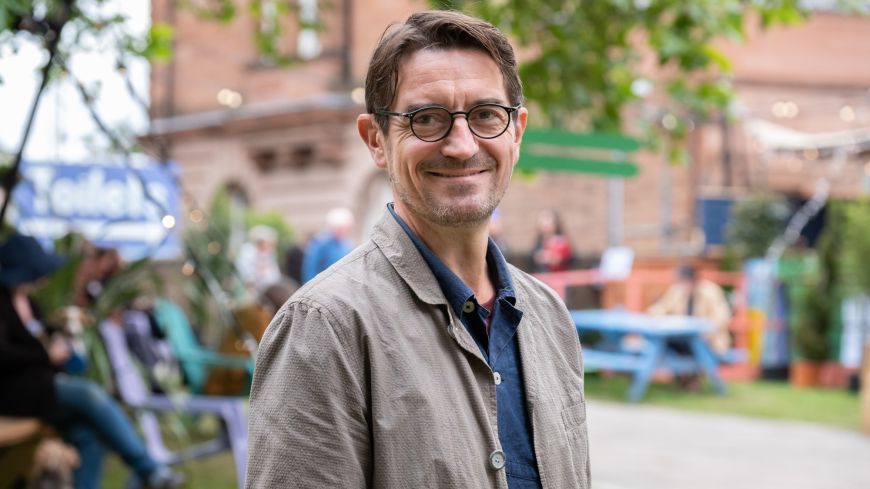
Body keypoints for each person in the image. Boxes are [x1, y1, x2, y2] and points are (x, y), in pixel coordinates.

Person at [247, 11, 589, 489]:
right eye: (427, 119)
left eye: (487, 115)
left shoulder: (549, 316)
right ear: (377, 140)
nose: (461, 144)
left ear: (516, 131)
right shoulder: (324, 328)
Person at [0, 234, 183, 489]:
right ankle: (149, 469)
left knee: (87, 434)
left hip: (40, 386)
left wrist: (60, 340)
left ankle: (146, 472)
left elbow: (39, 335)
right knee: (91, 394)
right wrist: (46, 355)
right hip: (15, 391)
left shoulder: (28, 301)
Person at [648, 264, 732, 355]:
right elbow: (663, 307)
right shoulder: (677, 291)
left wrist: (707, 331)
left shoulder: (710, 291)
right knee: (659, 343)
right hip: (681, 337)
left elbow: (722, 316)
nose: (683, 285)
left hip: (708, 341)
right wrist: (655, 313)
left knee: (696, 345)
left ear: (693, 280)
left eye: (685, 282)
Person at [300, 207, 355, 283]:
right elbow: (310, 269)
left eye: (346, 228)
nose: (343, 231)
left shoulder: (347, 243)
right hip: (323, 285)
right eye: (340, 228)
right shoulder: (320, 242)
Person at [235, 224, 283, 295]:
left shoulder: (269, 254)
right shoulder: (248, 252)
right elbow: (245, 270)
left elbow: (274, 273)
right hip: (252, 288)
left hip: (268, 287)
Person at [530, 209, 573, 273]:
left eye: (548, 220)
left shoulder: (562, 241)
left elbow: (571, 259)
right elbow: (531, 260)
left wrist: (559, 259)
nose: (546, 224)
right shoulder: (538, 243)